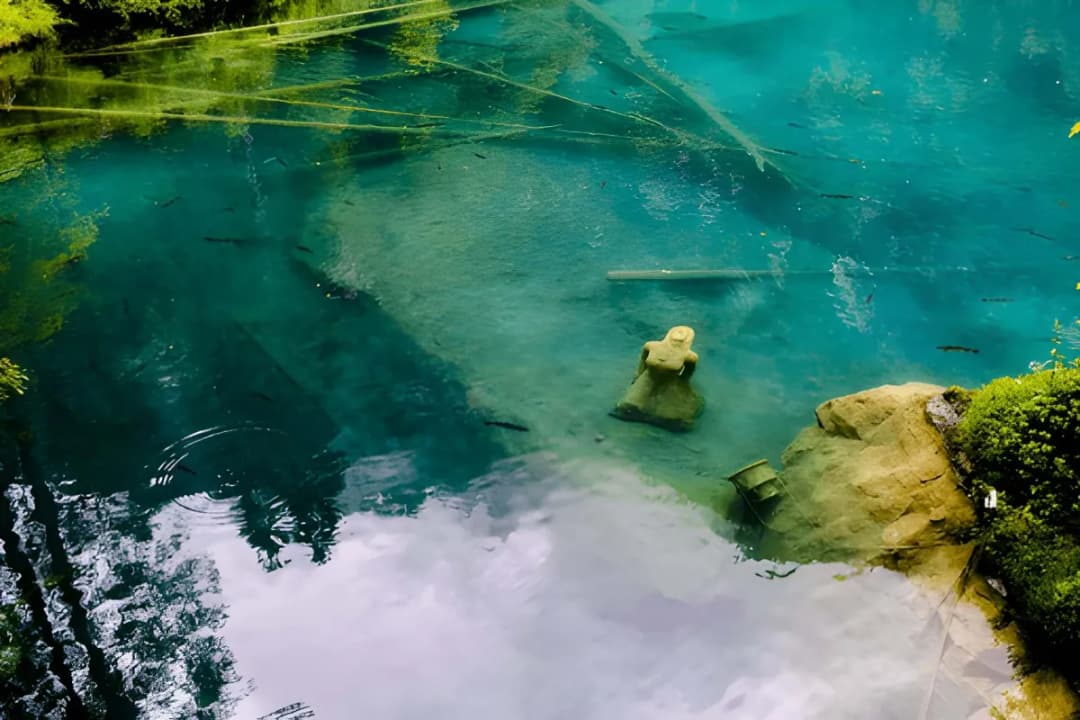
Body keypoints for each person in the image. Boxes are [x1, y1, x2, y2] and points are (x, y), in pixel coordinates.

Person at [612, 325, 704, 431]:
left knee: (668, 410)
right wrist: (638, 375)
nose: (676, 342)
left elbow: (687, 374)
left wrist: (682, 385)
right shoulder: (651, 346)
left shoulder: (690, 357)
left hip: (670, 382)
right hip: (649, 378)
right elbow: (642, 362)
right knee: (636, 402)